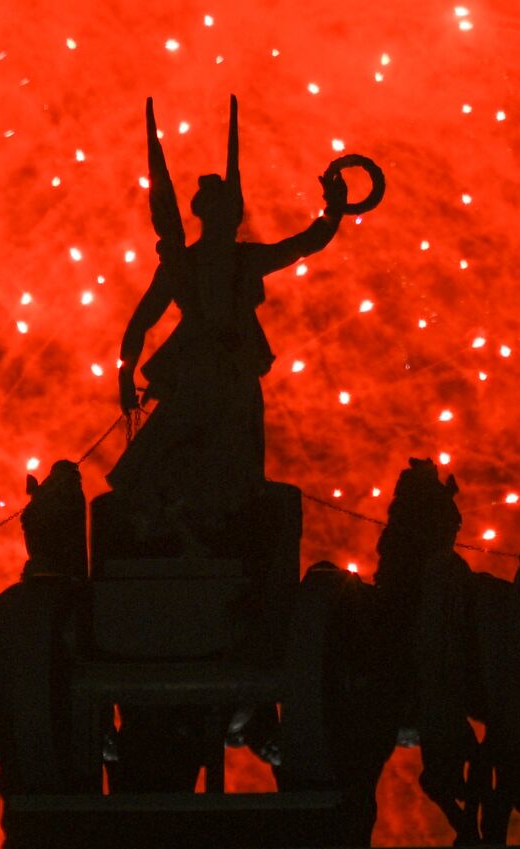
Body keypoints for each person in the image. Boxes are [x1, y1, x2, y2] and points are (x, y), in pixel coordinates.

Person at [108, 96, 348, 549]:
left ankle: (206, 524)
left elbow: (305, 243)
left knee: (232, 455)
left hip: (227, 371)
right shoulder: (193, 263)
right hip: (208, 372)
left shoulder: (228, 260)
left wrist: (334, 211)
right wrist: (123, 375)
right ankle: (182, 524)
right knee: (190, 449)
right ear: (216, 214)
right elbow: (140, 321)